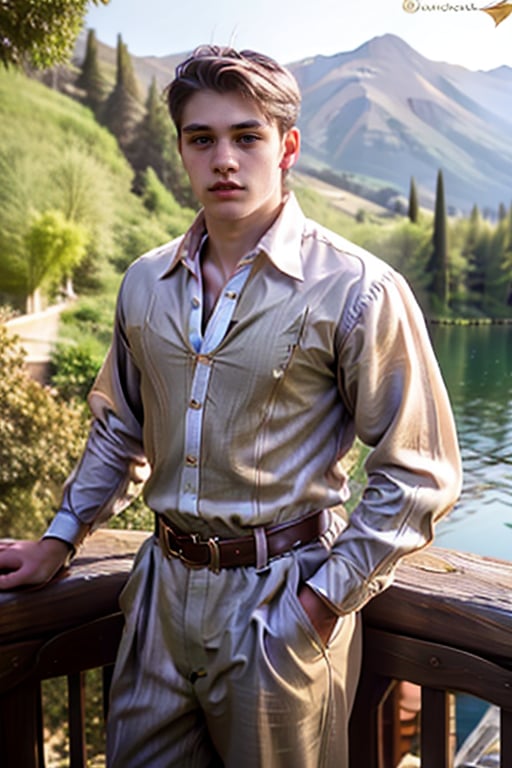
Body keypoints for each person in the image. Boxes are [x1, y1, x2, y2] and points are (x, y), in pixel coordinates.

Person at [0, 45, 462, 767]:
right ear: (181, 149)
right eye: (202, 138)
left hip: (282, 607)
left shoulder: (357, 289)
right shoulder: (144, 284)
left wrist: (318, 607)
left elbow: (420, 475)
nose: (225, 159)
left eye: (247, 137)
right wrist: (59, 539)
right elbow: (121, 431)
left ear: (287, 148)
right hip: (157, 597)